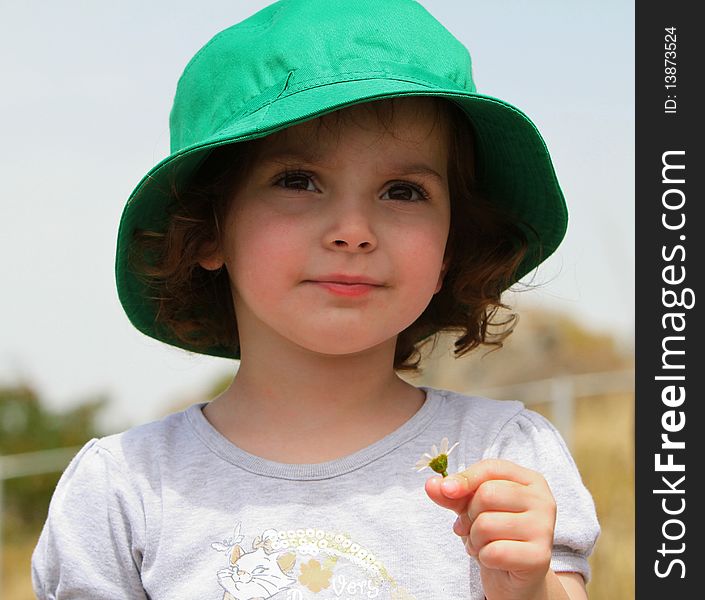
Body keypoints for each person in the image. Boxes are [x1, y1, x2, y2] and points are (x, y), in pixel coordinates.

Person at [31, 1, 599, 598]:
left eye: (403, 191)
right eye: (297, 181)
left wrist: (528, 586)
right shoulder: (124, 490)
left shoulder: (502, 455)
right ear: (208, 228)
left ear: (449, 248)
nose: (353, 229)